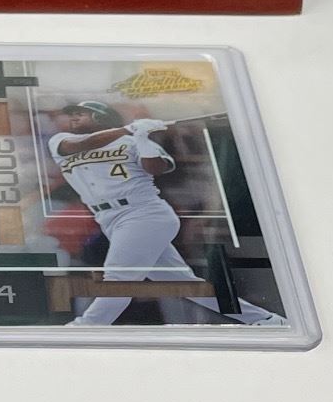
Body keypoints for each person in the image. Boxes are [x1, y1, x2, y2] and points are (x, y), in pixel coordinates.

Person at [47, 102, 284, 328]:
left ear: (102, 117)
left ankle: (87, 327)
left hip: (143, 213)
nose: (74, 117)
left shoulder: (132, 141)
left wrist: (143, 140)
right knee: (183, 284)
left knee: (119, 278)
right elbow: (78, 145)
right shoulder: (61, 141)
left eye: (82, 113)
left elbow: (158, 168)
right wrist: (127, 129)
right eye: (73, 113)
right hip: (109, 218)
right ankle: (265, 319)